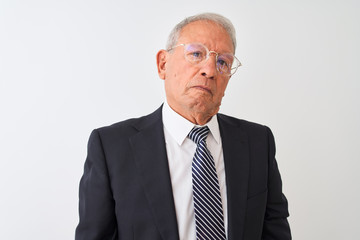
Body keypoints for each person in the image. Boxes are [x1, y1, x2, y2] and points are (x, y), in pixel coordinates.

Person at [75, 13, 291, 240]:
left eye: (223, 62)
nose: (210, 70)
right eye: (196, 54)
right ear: (163, 64)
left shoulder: (258, 143)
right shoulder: (111, 148)